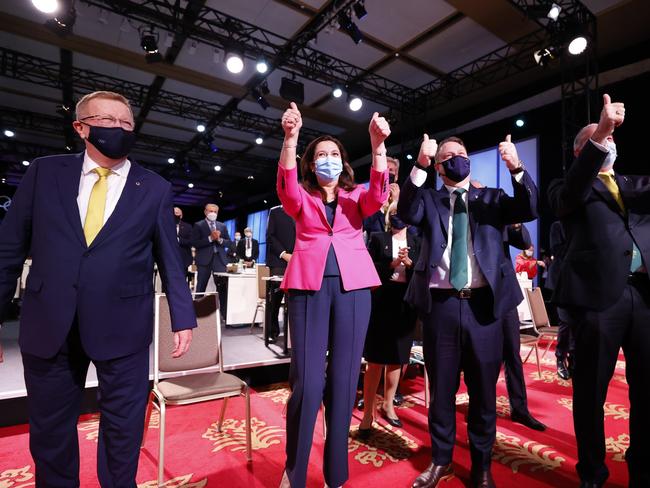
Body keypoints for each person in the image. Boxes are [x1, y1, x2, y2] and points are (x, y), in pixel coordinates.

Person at [0, 90, 196, 486]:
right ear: (80, 127)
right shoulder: (44, 172)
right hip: (49, 323)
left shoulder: (153, 187)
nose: (118, 129)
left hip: (124, 327)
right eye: (107, 121)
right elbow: (8, 247)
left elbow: (169, 257)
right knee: (51, 433)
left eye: (126, 123)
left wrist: (183, 316)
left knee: (123, 434)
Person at [398, 133, 538, 488]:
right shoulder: (428, 198)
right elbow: (404, 212)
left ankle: (482, 465)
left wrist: (516, 168)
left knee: (483, 393)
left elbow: (529, 208)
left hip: (483, 308)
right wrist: (419, 164)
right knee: (442, 391)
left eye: (462, 154)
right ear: (440, 166)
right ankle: (441, 459)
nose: (457, 159)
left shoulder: (491, 197)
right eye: (448, 156)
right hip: (441, 307)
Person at [277, 102, 389, 488]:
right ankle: (294, 472)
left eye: (334, 155)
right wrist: (290, 140)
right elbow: (286, 187)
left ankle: (335, 475)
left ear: (344, 163)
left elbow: (378, 195)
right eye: (321, 155)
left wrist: (377, 147)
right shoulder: (301, 198)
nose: (328, 160)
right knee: (307, 384)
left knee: (343, 381)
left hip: (354, 287)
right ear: (311, 164)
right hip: (308, 285)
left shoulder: (356, 196)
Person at [548, 94, 649, 488]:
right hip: (597, 300)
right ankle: (592, 472)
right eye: (599, 140)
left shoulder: (635, 185)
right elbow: (570, 194)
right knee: (591, 394)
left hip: (643, 297)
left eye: (611, 139)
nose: (609, 144)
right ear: (581, 150)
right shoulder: (568, 187)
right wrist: (600, 131)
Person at [358, 207, 420, 435]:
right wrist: (391, 265)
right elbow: (366, 266)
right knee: (375, 359)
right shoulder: (378, 238)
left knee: (397, 358)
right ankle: (367, 414)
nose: (397, 216)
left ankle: (388, 404)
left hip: (405, 304)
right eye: (393, 212)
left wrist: (410, 264)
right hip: (381, 302)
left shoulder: (417, 241)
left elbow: (423, 273)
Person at [502, 224, 546, 431]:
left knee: (513, 355)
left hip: (503, 293)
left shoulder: (494, 202)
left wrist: (516, 222)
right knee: (480, 359)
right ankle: (479, 406)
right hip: (473, 295)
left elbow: (523, 241)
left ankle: (519, 409)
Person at [192, 203, 231, 322]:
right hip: (204, 260)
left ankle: (225, 315)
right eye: (210, 211)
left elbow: (229, 243)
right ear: (205, 212)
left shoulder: (222, 226)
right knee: (201, 286)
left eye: (215, 211)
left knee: (223, 288)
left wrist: (219, 239)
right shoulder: (198, 225)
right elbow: (195, 243)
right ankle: (197, 314)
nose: (212, 213)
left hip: (219, 260)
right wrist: (210, 238)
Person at [546, 220, 574, 380]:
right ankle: (560, 358)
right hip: (561, 282)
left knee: (580, 323)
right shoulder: (557, 225)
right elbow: (557, 250)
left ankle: (573, 359)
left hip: (580, 282)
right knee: (566, 322)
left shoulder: (583, 224)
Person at [266, 205, 296, 342]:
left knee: (295, 299)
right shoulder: (275, 211)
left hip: (299, 261)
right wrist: (284, 255)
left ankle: (292, 334)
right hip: (279, 261)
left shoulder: (303, 209)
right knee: (275, 300)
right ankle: (272, 331)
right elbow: (270, 236)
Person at [363, 156, 400, 236]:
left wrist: (395, 203)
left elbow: (411, 230)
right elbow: (363, 225)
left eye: (391, 170)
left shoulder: (403, 201)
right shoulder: (368, 198)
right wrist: (380, 206)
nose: (388, 173)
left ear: (396, 176)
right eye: (385, 169)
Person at [174, 206, 194, 282]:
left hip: (183, 259)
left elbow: (191, 241)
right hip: (169, 258)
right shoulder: (166, 226)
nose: (174, 215)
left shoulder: (188, 227)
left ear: (181, 215)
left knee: (181, 281)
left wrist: (178, 240)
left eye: (176, 213)